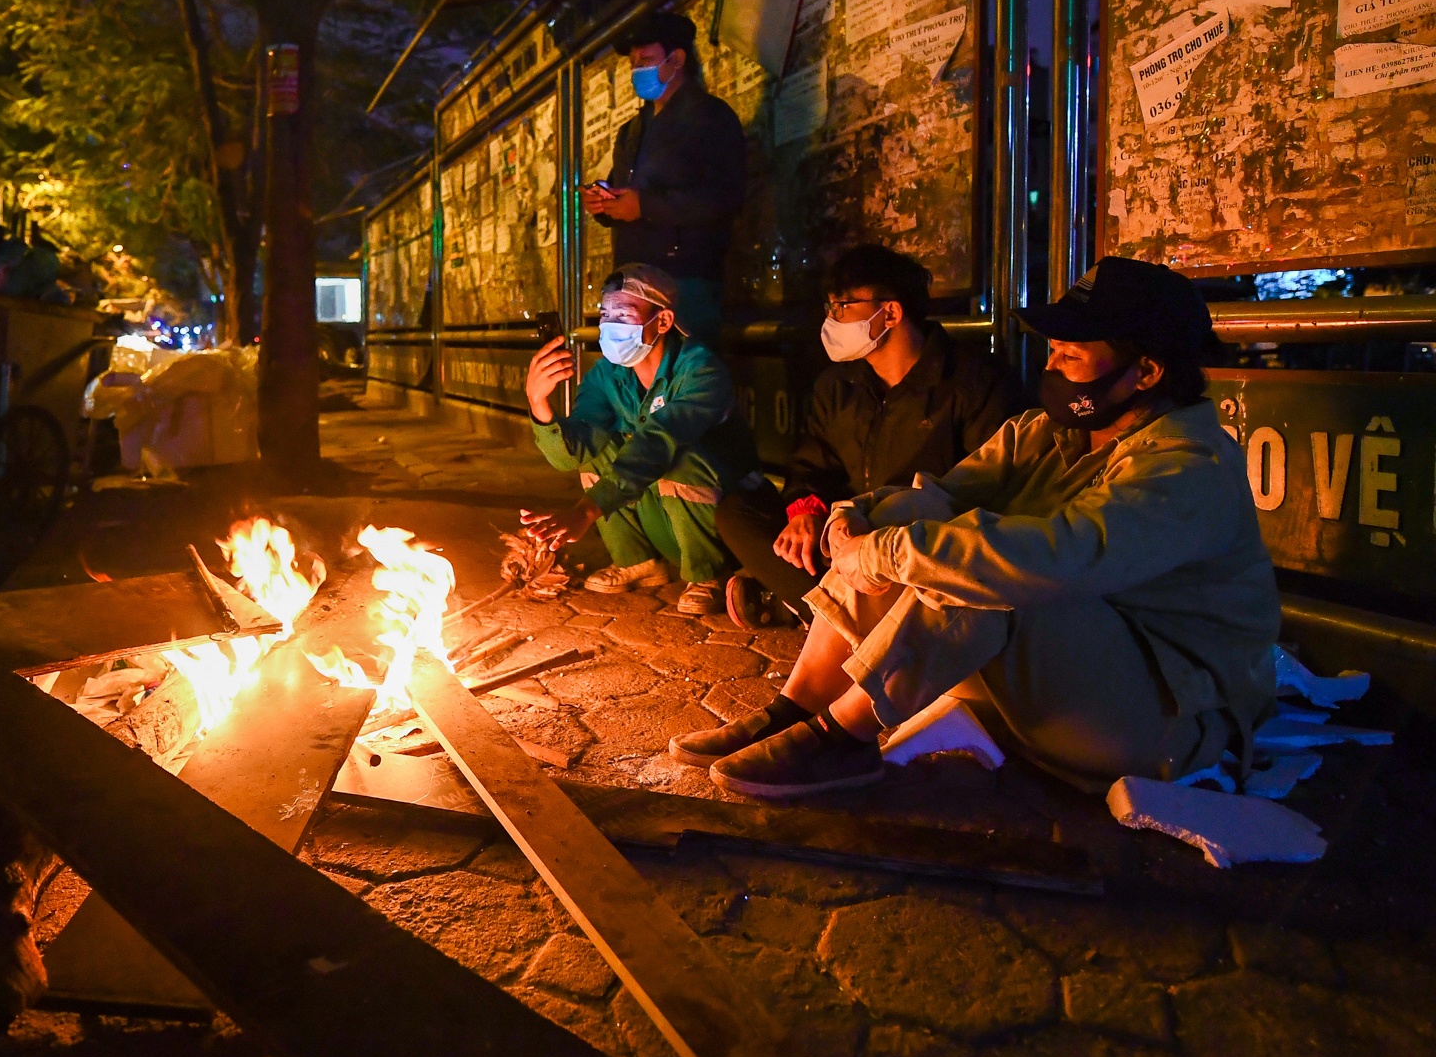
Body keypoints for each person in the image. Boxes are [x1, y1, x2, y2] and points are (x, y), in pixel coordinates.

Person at [669, 257, 1280, 799]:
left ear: (1145, 373)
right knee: (912, 536)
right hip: (1063, 683)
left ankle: (845, 737)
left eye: (1073, 352)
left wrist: (890, 550)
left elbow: (1057, 558)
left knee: (993, 568)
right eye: (1053, 348)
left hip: (1166, 721)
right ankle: (799, 706)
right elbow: (944, 494)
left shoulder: (1186, 464)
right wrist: (858, 518)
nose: (1053, 362)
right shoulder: (1048, 432)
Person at [717, 244, 1014, 629]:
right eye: (830, 308)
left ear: (890, 312)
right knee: (738, 511)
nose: (832, 319)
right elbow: (813, 462)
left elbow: (984, 491)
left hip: (911, 548)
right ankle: (837, 614)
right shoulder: (839, 383)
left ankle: (817, 611)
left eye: (843, 307)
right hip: (840, 536)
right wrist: (805, 511)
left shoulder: (972, 382)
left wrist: (878, 526)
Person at [520, 264, 764, 616]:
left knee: (679, 454)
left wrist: (586, 511)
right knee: (599, 453)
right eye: (606, 313)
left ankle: (708, 574)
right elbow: (572, 455)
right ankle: (638, 561)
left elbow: (660, 441)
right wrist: (539, 404)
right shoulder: (607, 374)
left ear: (663, 322)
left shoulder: (700, 369)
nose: (610, 324)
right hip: (665, 521)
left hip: (726, 526)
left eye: (625, 314)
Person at [582, 11, 747, 343]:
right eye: (633, 63)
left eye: (645, 59)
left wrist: (646, 206)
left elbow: (724, 198)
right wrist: (603, 201)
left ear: (677, 59)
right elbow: (621, 191)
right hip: (632, 284)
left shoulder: (710, 117)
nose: (636, 70)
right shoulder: (632, 129)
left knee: (684, 381)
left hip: (685, 283)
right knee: (634, 387)